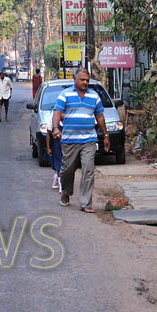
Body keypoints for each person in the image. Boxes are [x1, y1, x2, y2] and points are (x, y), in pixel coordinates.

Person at [50, 68, 110, 212]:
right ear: (75, 80)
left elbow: (100, 116)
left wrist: (106, 136)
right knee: (66, 170)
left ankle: (86, 203)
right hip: (69, 139)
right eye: (82, 79)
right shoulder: (65, 94)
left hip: (88, 139)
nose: (85, 82)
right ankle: (66, 192)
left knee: (88, 170)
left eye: (87, 80)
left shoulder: (94, 96)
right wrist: (55, 128)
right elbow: (57, 112)